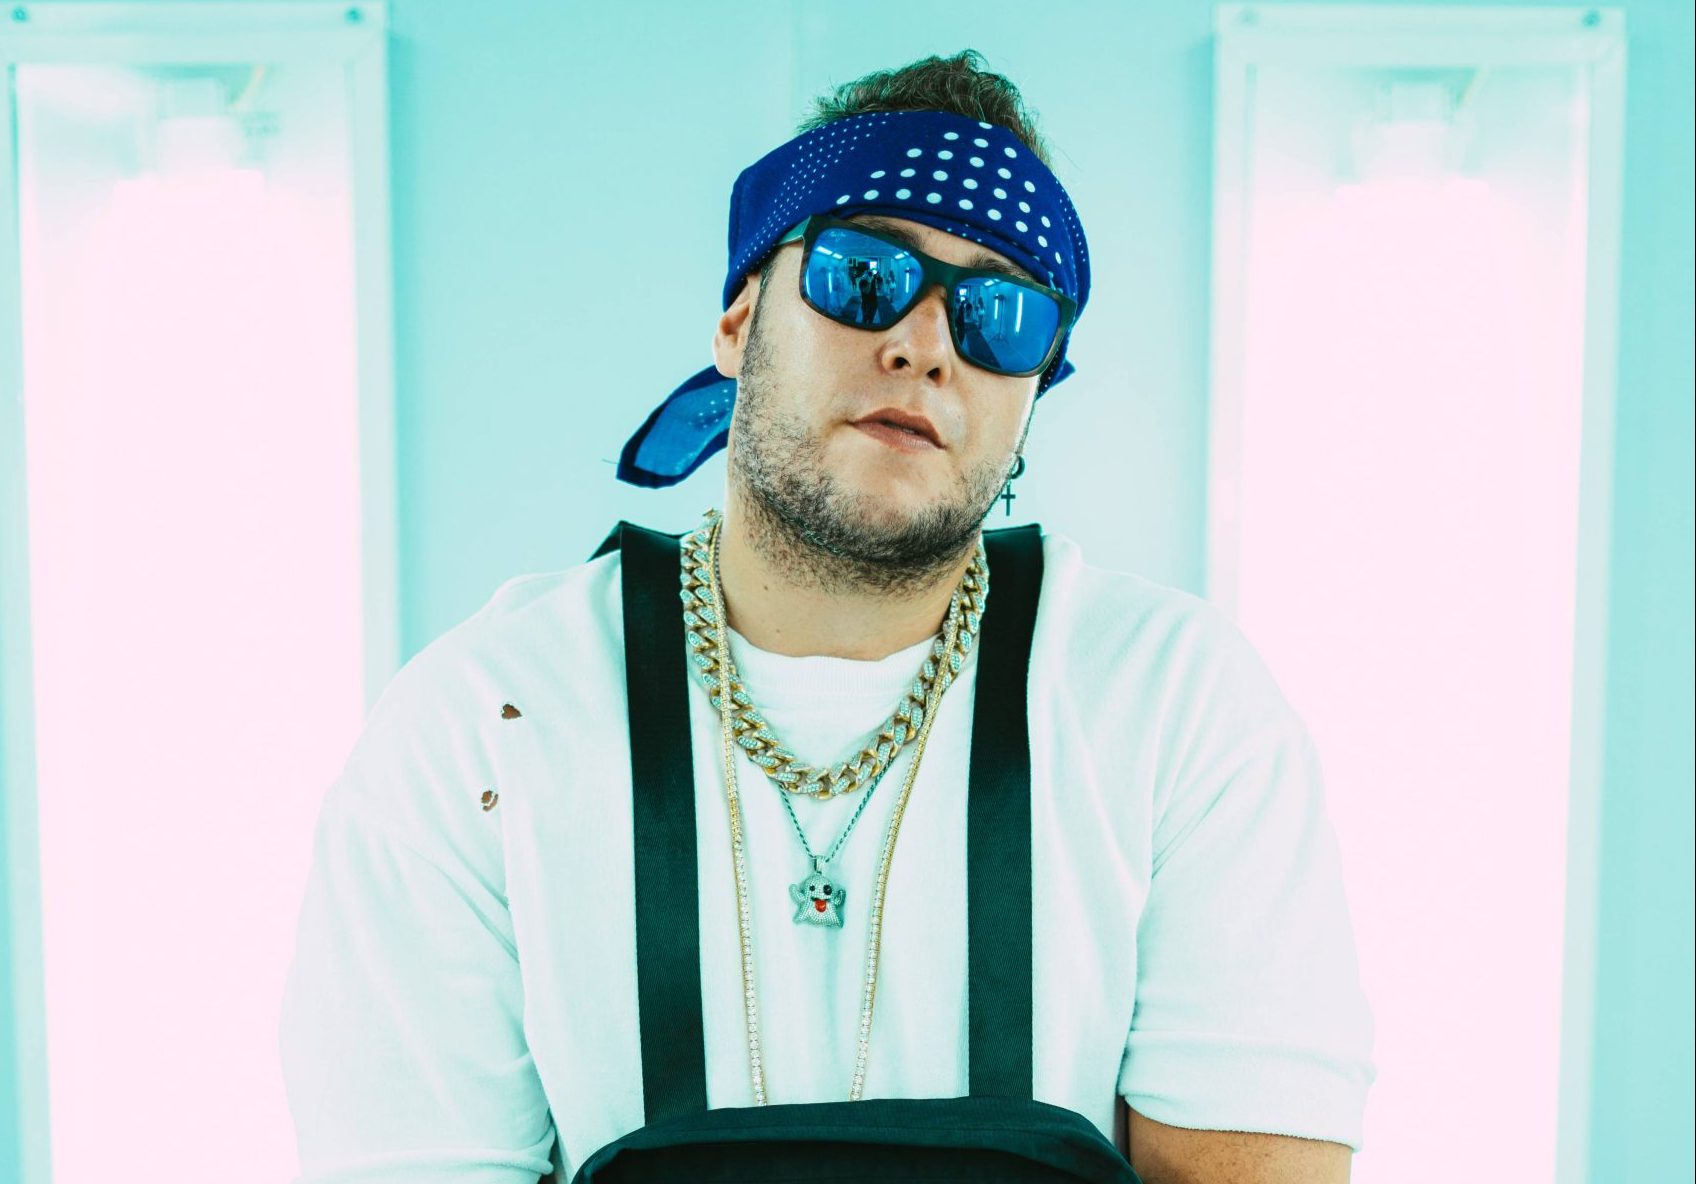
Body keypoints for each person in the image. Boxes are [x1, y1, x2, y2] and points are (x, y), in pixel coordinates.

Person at [279, 49, 1375, 1184]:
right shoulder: (482, 720)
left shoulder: (1174, 703)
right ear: (737, 320)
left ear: (1032, 396)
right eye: (864, 275)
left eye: (1001, 316)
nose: (924, 346)